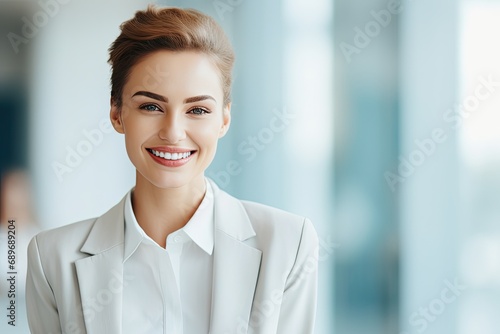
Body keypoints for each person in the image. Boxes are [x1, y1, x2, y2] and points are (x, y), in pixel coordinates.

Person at [26, 6, 318, 334]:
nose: (173, 131)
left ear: (224, 119)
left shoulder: (288, 244)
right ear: (117, 113)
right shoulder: (51, 258)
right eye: (151, 106)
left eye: (197, 109)